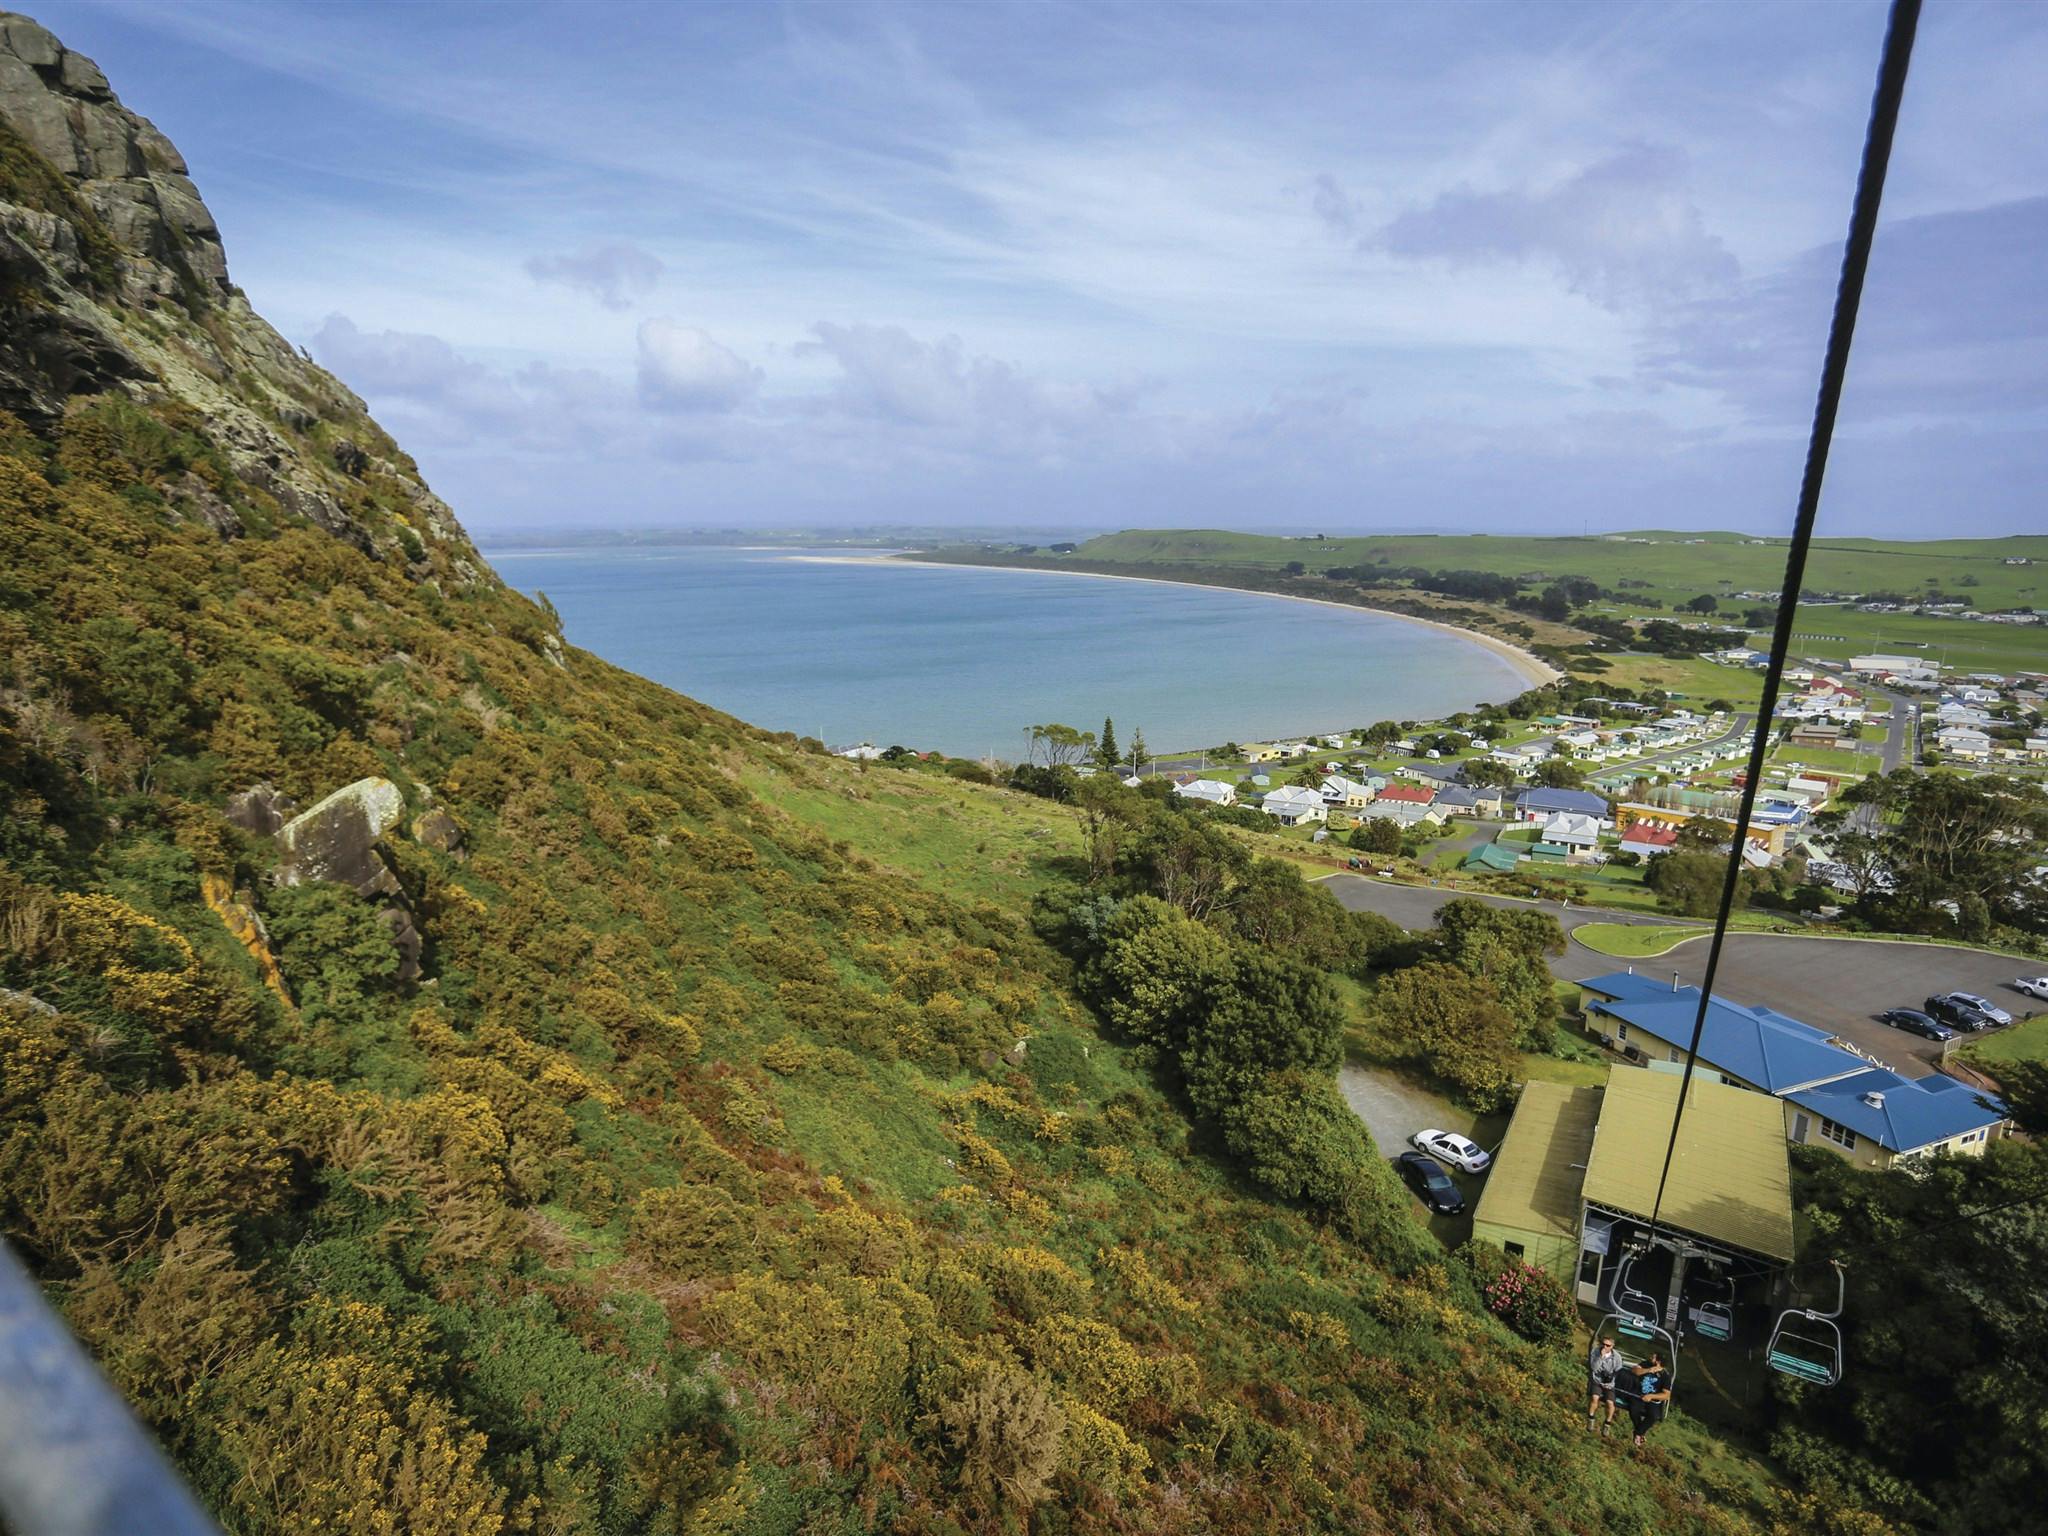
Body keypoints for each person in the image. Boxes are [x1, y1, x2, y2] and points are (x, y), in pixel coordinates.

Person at [1627, 1352, 1672, 1448]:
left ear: (1658, 1362)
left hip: (1652, 1399)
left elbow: (1666, 1395)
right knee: (1634, 1410)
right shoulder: (1646, 1364)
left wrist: (1651, 1396)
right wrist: (1648, 1370)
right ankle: (1640, 1433)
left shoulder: (1665, 1376)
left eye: (1653, 1357)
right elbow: (1634, 1370)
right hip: (1639, 1394)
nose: (1650, 1357)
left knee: (1654, 1416)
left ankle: (1638, 1433)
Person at [1586, 1336, 1622, 1434]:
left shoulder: (1617, 1357)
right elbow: (1594, 1368)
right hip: (1597, 1380)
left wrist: (1610, 1380)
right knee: (1595, 1397)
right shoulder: (1596, 1352)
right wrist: (1601, 1357)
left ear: (1612, 1346)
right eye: (1603, 1344)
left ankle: (1607, 1423)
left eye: (1608, 1345)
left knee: (1610, 1403)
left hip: (1609, 1383)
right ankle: (1591, 1418)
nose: (1605, 1347)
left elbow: (1618, 1372)